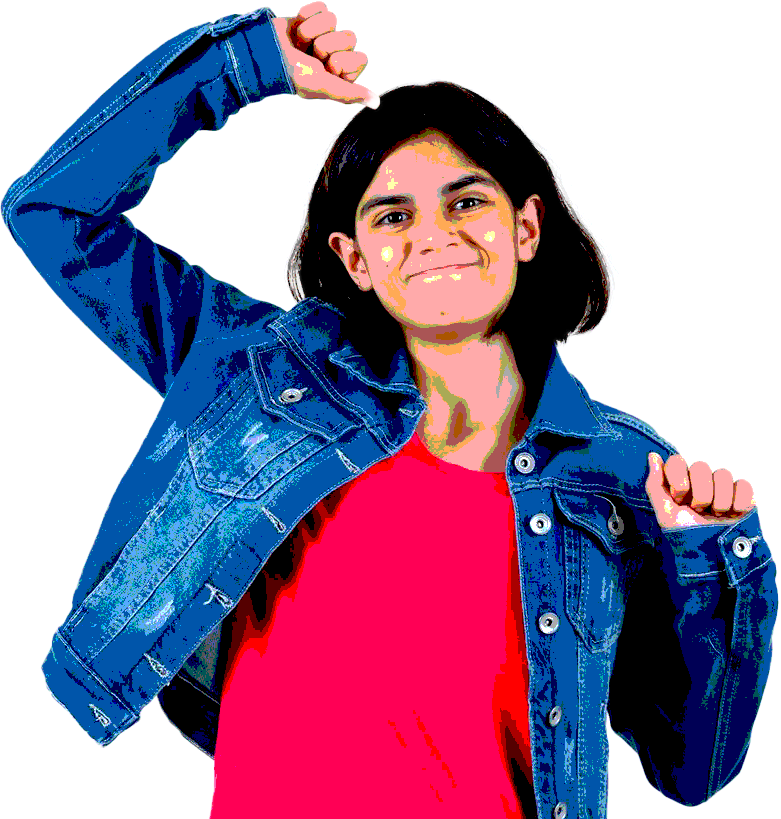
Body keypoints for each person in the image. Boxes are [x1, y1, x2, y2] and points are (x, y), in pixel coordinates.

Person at [2, 3, 776, 817]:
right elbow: (53, 212)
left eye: (466, 202)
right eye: (393, 215)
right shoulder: (261, 378)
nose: (433, 235)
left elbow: (694, 768)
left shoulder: (621, 475)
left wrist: (711, 561)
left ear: (526, 227)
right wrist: (240, 68)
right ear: (355, 259)